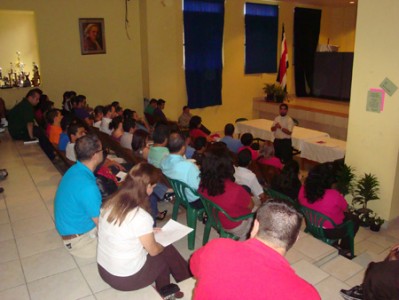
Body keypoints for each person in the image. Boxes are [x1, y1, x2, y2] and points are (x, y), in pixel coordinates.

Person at [190, 201, 320, 300]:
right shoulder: (306, 294)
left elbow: (194, 267)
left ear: (255, 226)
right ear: (296, 239)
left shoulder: (216, 247)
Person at [97, 162, 191, 294]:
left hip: (105, 270)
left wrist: (148, 232)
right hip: (125, 279)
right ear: (147, 187)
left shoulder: (110, 203)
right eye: (153, 186)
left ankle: (178, 284)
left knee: (163, 249)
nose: (153, 190)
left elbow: (121, 229)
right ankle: (180, 284)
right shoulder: (140, 217)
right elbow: (153, 251)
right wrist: (161, 244)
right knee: (163, 254)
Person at [54, 134, 104, 258]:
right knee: (126, 245)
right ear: (95, 155)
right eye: (102, 150)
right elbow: (101, 225)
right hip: (79, 241)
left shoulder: (75, 169)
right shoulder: (88, 187)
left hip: (71, 228)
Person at [298, 162, 359, 257]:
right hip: (330, 232)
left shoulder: (303, 189)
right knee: (354, 220)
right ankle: (344, 248)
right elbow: (346, 209)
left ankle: (336, 245)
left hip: (311, 225)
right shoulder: (333, 195)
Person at [199, 142, 254, 240]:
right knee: (259, 207)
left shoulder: (202, 183)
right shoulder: (236, 190)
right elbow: (251, 205)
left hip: (214, 219)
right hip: (235, 226)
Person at [8, 88, 55, 160]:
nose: (38, 101)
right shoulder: (27, 106)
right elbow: (29, 123)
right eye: (37, 99)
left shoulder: (24, 104)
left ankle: (50, 151)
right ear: (30, 98)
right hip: (18, 132)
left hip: (15, 130)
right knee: (39, 132)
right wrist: (31, 137)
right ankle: (50, 154)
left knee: (39, 130)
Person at [161, 132, 203, 209]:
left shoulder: (164, 160)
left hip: (178, 194)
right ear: (183, 148)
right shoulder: (189, 167)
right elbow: (198, 188)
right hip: (193, 200)